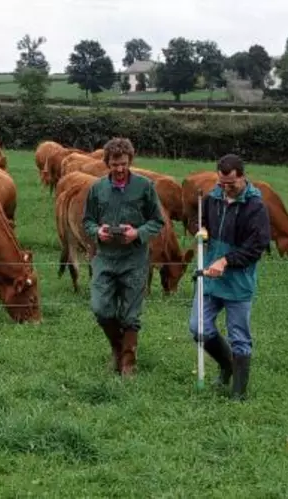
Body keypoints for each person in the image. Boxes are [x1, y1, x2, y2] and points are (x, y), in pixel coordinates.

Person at [190, 153, 271, 401]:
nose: (226, 188)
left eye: (231, 184)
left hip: (238, 281)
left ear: (243, 178)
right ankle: (226, 365)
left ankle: (239, 391)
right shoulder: (212, 198)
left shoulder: (255, 207)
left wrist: (226, 261)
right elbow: (197, 220)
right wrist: (200, 229)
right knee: (198, 328)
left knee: (239, 337)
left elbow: (256, 246)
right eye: (222, 183)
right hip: (209, 277)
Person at [82, 137, 166, 376]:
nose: (119, 169)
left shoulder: (145, 186)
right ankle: (117, 348)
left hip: (134, 258)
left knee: (131, 313)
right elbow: (87, 221)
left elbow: (158, 221)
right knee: (101, 308)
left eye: (124, 164)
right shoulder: (97, 189)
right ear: (106, 163)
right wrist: (97, 231)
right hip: (105, 257)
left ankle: (128, 361)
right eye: (114, 164)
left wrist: (137, 233)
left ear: (130, 161)